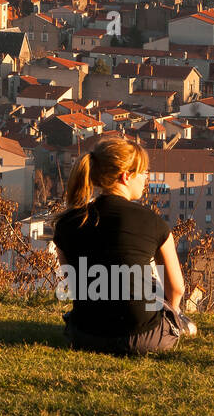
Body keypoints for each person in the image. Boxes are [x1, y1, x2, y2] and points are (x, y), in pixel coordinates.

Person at [52, 137, 196, 355]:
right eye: (144, 172)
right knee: (154, 288)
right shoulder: (153, 222)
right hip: (143, 338)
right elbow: (176, 288)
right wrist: (173, 311)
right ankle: (180, 323)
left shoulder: (67, 222)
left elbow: (72, 281)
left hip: (84, 336)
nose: (146, 178)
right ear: (126, 176)